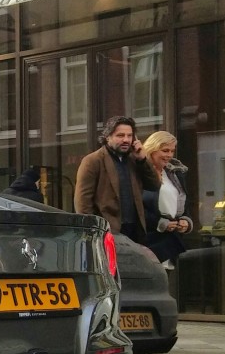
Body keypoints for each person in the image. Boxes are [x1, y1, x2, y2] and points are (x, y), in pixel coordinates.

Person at [74, 115, 161, 243]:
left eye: (129, 136)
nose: (126, 140)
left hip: (134, 232)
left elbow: (154, 185)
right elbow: (83, 204)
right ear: (108, 137)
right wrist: (95, 232)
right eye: (120, 135)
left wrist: (143, 160)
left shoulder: (134, 159)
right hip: (107, 232)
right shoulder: (93, 161)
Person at [140, 131, 193, 269]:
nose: (169, 155)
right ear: (152, 149)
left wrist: (185, 221)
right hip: (148, 240)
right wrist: (161, 223)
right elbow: (136, 207)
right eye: (165, 150)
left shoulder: (174, 174)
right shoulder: (139, 173)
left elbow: (183, 203)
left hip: (170, 241)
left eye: (172, 151)